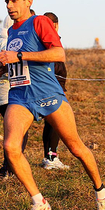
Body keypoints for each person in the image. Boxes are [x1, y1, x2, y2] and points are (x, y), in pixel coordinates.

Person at [0, 0, 105, 210]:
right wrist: (0, 67)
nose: (9, 6)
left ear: (28, 1)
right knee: (11, 147)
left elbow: (58, 54)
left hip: (48, 94)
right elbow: (15, 64)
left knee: (76, 147)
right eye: (6, 1)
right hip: (20, 97)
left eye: (14, 0)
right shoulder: (11, 33)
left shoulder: (39, 23)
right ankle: (39, 202)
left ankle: (101, 193)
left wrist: (19, 56)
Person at [0, 15, 29, 179]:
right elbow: (14, 72)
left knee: (13, 133)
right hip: (10, 93)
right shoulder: (9, 44)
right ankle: (10, 169)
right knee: (20, 133)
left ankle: (8, 168)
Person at [41, 12, 69, 170]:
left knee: (51, 124)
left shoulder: (52, 43)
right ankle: (51, 157)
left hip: (55, 87)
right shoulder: (49, 44)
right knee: (57, 123)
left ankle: (48, 156)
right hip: (52, 89)